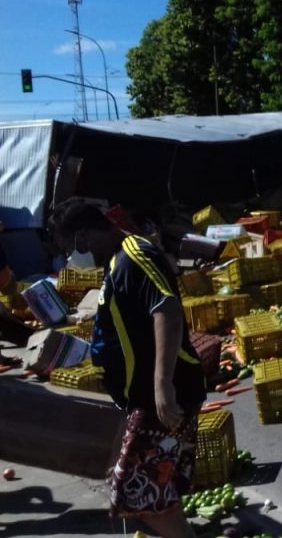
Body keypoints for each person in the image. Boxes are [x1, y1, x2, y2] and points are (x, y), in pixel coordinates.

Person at [49, 199, 206, 538]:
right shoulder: (118, 261)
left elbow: (167, 308)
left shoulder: (135, 256)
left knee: (134, 491)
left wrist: (161, 384)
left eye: (68, 247)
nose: (70, 256)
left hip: (161, 396)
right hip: (144, 398)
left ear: (83, 238)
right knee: (155, 485)